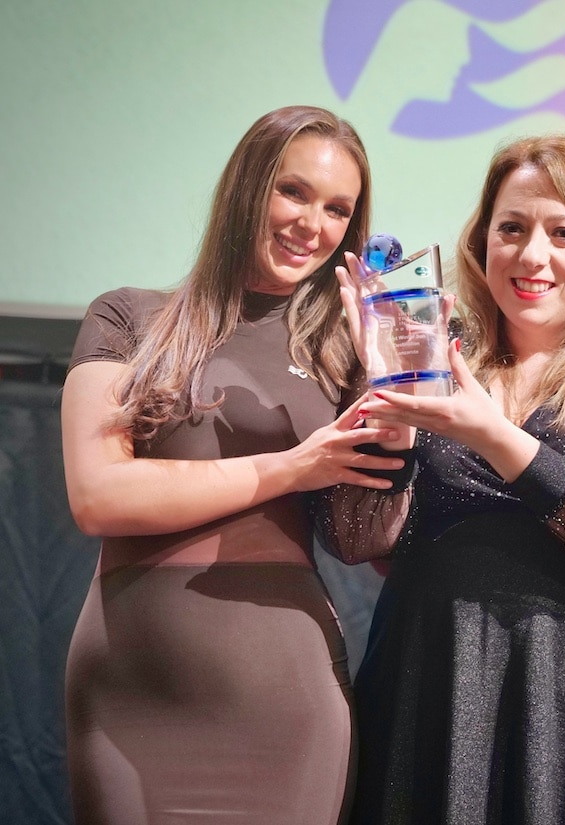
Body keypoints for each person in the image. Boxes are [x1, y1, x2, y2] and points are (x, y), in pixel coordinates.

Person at [320, 134, 565, 824]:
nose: (533, 255)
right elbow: (357, 537)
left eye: (564, 232)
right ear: (482, 243)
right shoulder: (432, 351)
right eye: (512, 228)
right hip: (434, 686)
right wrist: (390, 400)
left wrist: (493, 435)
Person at [61, 105, 409, 825]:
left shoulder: (338, 355)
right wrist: (292, 467)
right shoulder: (129, 319)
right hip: (134, 693)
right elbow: (99, 495)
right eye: (294, 192)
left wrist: (391, 389)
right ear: (247, 186)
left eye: (338, 209)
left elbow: (364, 541)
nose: (311, 224)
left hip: (285, 697)